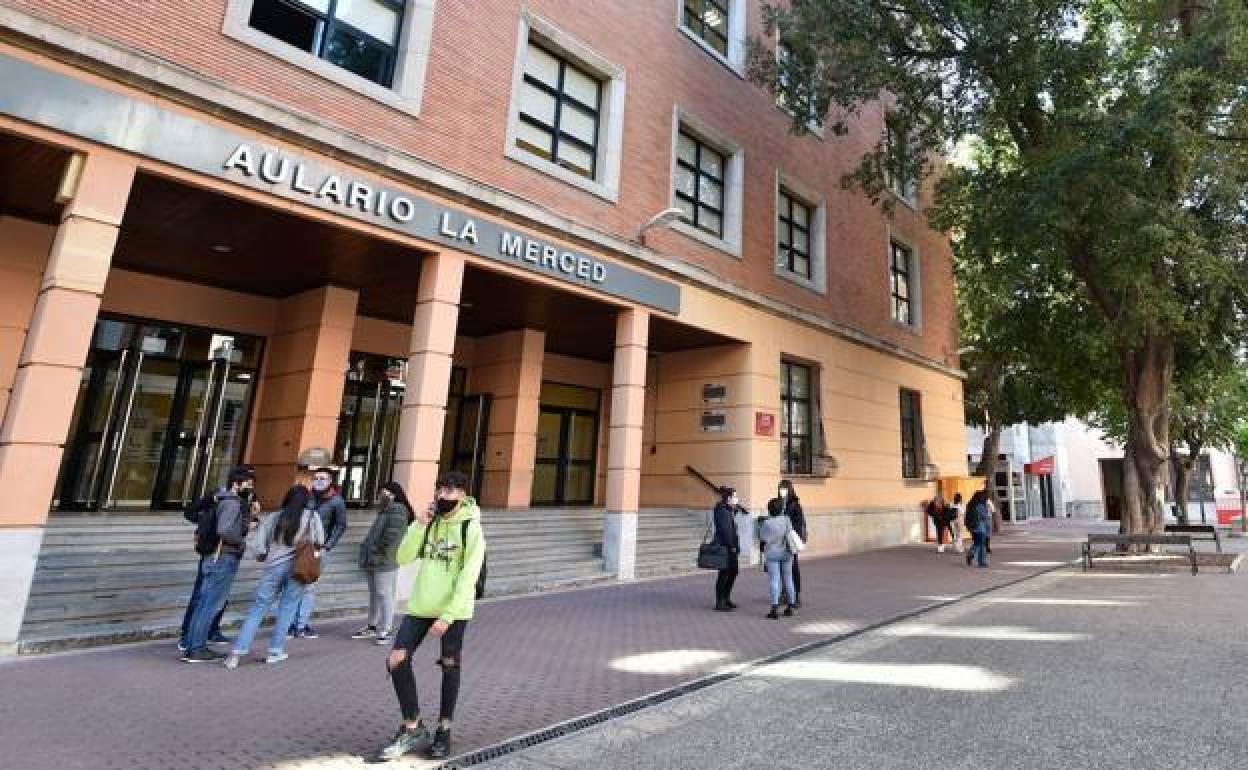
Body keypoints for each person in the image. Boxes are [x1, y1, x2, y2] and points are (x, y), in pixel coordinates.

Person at [378, 471, 486, 762]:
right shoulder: (430, 521)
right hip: (422, 605)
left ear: (463, 495)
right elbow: (402, 558)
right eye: (440, 490)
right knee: (396, 659)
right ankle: (413, 726)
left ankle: (444, 730)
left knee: (450, 667)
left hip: (454, 609)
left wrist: (448, 615)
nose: (443, 496)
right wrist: (418, 524)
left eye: (450, 491)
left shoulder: (471, 527)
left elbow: (469, 576)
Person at [223, 485, 324, 668]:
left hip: (273, 568)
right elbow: (320, 542)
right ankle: (275, 652)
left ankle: (236, 654)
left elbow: (259, 546)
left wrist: (264, 555)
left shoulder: (274, 516)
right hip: (298, 569)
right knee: (287, 609)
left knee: (258, 609)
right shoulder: (312, 517)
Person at [178, 466, 261, 652]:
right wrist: (239, 542)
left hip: (214, 555)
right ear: (236, 483)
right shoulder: (230, 502)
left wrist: (251, 516)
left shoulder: (227, 501)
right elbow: (225, 529)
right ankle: (196, 646)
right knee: (207, 603)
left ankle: (193, 642)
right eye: (248, 484)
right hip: (221, 556)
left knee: (205, 602)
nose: (250, 489)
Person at [290, 466, 347, 638]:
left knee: (308, 587)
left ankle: (301, 624)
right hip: (300, 547)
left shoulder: (337, 501)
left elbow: (340, 525)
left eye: (323, 478)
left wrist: (328, 545)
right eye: (316, 478)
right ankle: (290, 623)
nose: (319, 481)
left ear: (330, 481)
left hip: (318, 549)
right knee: (295, 586)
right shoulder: (307, 497)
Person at [353, 481, 412, 644]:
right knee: (375, 594)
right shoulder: (386, 510)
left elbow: (392, 536)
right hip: (375, 559)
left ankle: (386, 629)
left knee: (385, 595)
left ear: (394, 494)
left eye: (385, 493)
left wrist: (376, 550)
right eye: (382, 492)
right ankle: (372, 626)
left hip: (385, 560)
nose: (382, 495)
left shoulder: (398, 510)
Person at [766, 480, 806, 606]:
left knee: (793, 569)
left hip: (789, 541)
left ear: (790, 490)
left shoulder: (795, 505)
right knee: (782, 570)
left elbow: (799, 525)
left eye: (784, 489)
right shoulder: (778, 504)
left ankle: (796, 595)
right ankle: (784, 593)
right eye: (780, 489)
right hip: (777, 542)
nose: (781, 491)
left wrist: (793, 537)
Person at [756, 501, 798, 620]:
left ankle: (774, 608)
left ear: (769, 510)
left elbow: (762, 538)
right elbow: (790, 533)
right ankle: (790, 606)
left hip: (772, 553)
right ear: (781, 509)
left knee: (774, 580)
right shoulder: (786, 519)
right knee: (789, 579)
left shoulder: (766, 523)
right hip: (786, 553)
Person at [711, 486, 741, 611]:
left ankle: (726, 598)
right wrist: (732, 546)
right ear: (729, 498)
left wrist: (734, 510)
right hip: (726, 547)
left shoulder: (728, 509)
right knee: (724, 574)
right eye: (734, 496)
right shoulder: (722, 511)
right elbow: (726, 531)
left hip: (730, 547)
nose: (736, 498)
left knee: (733, 572)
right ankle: (720, 602)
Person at [965, 490, 991, 568]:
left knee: (977, 543)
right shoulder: (981, 505)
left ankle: (970, 554)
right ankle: (981, 562)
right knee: (982, 545)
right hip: (981, 528)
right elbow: (985, 516)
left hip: (973, 527)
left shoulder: (971, 504)